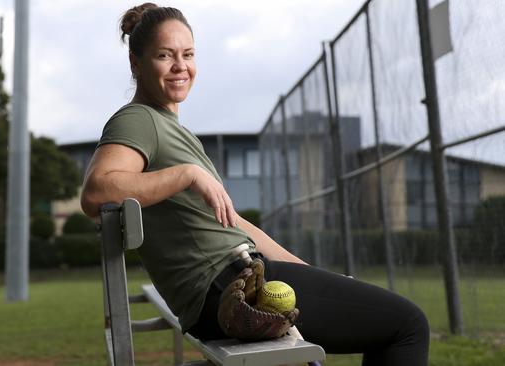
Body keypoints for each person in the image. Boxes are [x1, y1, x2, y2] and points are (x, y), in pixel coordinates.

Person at [81, 3, 430, 365]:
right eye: (164, 55)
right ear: (136, 64)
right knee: (409, 325)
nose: (180, 66)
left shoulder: (170, 128)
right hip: (231, 286)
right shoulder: (139, 119)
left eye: (188, 54)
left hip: (235, 280)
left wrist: (311, 273)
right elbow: (97, 191)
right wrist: (187, 174)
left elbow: (234, 223)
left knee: (388, 321)